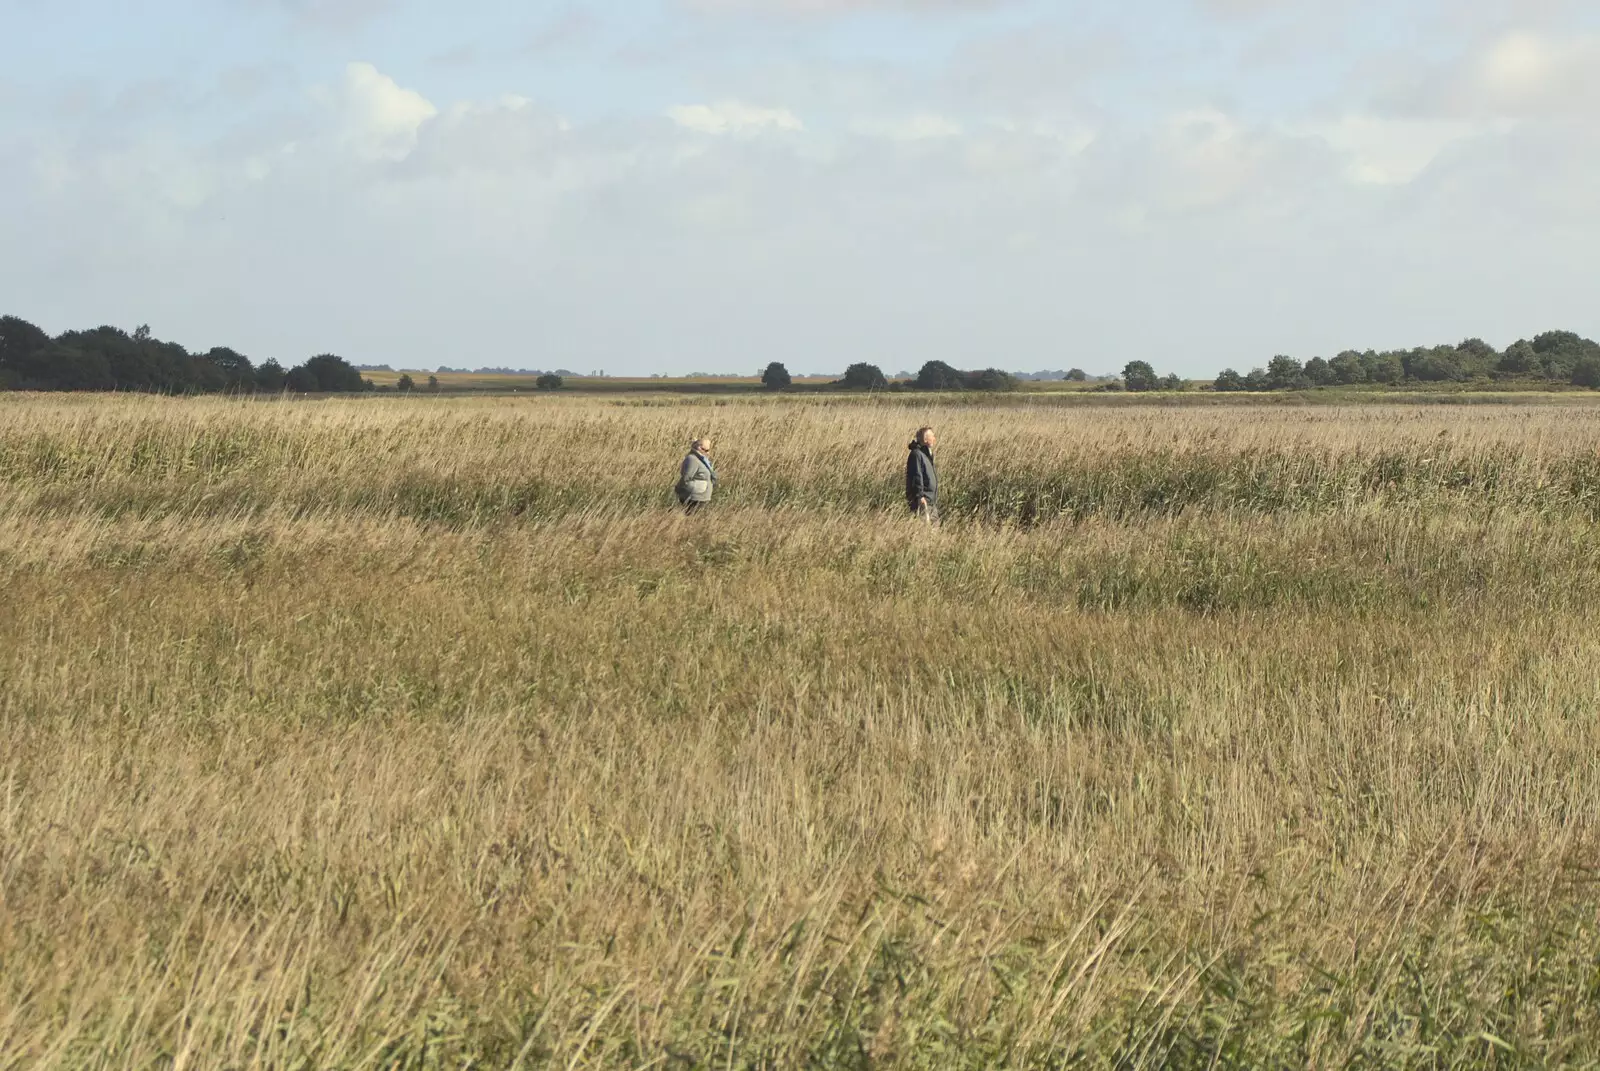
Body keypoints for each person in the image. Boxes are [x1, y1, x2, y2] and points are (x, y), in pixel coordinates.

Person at [906, 426, 938, 524]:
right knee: (924, 530)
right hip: (923, 501)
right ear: (925, 439)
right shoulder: (916, 454)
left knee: (934, 532)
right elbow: (917, 476)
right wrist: (920, 496)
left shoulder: (926, 454)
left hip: (931, 501)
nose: (934, 439)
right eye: (932, 436)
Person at [676, 437, 717, 513]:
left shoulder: (702, 459)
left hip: (702, 496)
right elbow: (686, 477)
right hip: (695, 497)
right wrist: (680, 490)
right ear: (699, 448)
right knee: (692, 517)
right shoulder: (692, 459)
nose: (708, 453)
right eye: (706, 450)